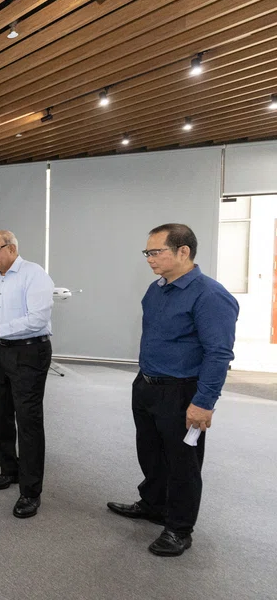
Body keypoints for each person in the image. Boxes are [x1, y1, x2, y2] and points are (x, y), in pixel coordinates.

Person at [107, 224, 238, 557]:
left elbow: (219, 353)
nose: (149, 258)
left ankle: (179, 528)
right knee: (150, 452)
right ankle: (153, 504)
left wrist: (204, 403)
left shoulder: (210, 294)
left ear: (184, 251)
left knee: (183, 463)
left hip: (182, 392)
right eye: (147, 252)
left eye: (156, 251)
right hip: (148, 385)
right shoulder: (157, 288)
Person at [0, 230, 54, 519]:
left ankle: (31, 492)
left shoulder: (34, 274)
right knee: (0, 414)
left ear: (12, 248)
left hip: (29, 352)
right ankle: (9, 470)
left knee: (28, 420)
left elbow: (38, 319)